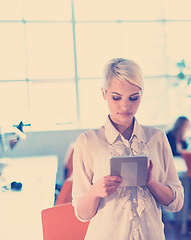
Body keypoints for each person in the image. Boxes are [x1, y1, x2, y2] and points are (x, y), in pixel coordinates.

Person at [72, 58, 184, 240]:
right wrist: (95, 191)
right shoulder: (87, 142)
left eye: (134, 98)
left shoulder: (157, 138)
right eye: (116, 98)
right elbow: (82, 214)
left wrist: (152, 183)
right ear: (104, 94)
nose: (125, 106)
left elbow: (176, 203)